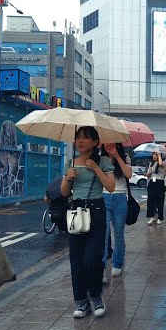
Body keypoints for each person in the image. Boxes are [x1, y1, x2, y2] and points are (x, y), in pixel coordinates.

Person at [60, 126, 115, 318]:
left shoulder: (104, 161)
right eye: (78, 137)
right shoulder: (71, 163)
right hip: (76, 210)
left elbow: (110, 187)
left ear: (94, 142)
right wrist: (68, 178)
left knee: (92, 259)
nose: (80, 141)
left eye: (85, 138)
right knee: (77, 261)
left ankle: (96, 297)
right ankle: (81, 302)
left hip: (97, 210)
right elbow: (64, 192)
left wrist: (95, 168)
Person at [100, 143, 132, 278]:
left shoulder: (125, 157)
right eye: (106, 141)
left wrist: (117, 156)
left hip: (120, 198)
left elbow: (129, 175)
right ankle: (100, 267)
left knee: (118, 233)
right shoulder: (100, 158)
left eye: (112, 141)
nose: (109, 144)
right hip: (103, 196)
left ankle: (117, 264)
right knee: (103, 233)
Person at [145, 151, 165, 225]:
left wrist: (159, 154)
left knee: (160, 200)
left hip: (160, 182)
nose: (154, 156)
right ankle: (151, 217)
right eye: (153, 154)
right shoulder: (151, 164)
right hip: (152, 183)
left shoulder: (163, 163)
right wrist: (148, 172)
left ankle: (160, 218)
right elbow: (148, 176)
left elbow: (160, 164)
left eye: (156, 155)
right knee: (150, 201)